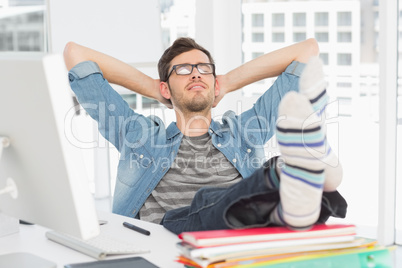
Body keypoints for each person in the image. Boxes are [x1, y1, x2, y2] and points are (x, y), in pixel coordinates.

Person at [63, 37, 347, 235]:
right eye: (183, 70)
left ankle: (301, 188)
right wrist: (155, 87)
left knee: (276, 200)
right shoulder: (140, 136)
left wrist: (227, 82)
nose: (196, 75)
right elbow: (76, 55)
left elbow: (308, 51)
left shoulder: (242, 132)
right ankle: (285, 178)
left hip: (237, 244)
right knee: (204, 206)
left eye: (204, 70)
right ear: (166, 88)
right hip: (173, 239)